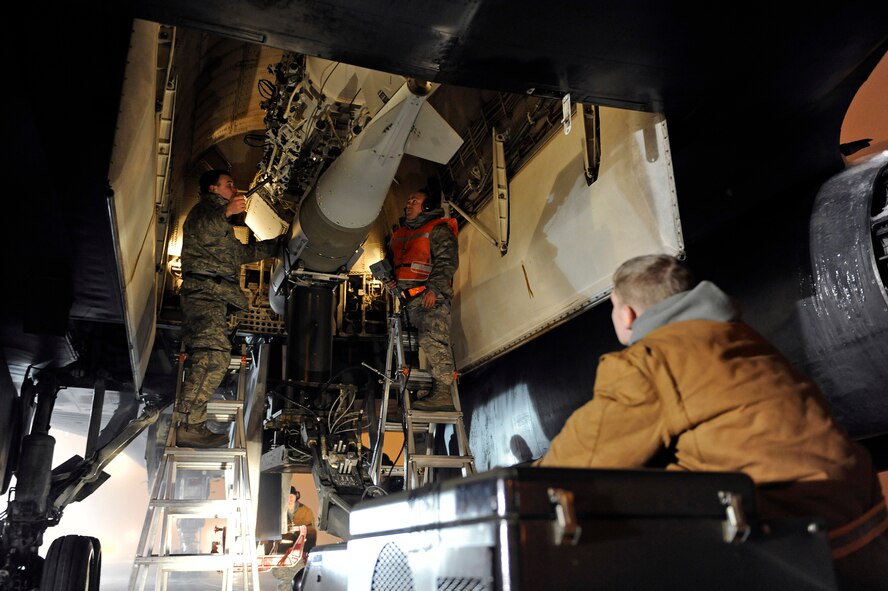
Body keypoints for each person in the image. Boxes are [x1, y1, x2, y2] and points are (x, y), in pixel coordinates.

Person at [534, 253, 888, 590]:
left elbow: (582, 457)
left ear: (626, 314)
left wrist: (521, 476)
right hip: (862, 523)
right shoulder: (742, 337)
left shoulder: (649, 361)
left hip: (792, 539)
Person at [176, 169, 279, 447]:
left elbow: (239, 254)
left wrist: (277, 246)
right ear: (212, 189)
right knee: (212, 357)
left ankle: (191, 422)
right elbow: (205, 224)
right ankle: (189, 425)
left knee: (214, 356)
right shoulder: (205, 213)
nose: (234, 189)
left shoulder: (221, 225)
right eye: (228, 185)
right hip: (205, 294)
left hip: (214, 296)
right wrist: (225, 211)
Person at [385, 189, 459, 411]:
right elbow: (393, 265)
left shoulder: (437, 230)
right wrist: (390, 281)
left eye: (414, 201)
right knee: (415, 348)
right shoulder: (400, 235)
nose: (408, 205)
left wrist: (434, 290)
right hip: (407, 302)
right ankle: (428, 391)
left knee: (432, 340)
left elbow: (446, 261)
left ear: (426, 207)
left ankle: (444, 393)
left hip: (429, 299)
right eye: (408, 201)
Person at [285, 486, 317, 555]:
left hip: (300, 537)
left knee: (312, 533)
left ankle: (306, 554)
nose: (290, 498)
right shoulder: (279, 511)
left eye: (292, 496)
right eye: (288, 496)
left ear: (296, 496)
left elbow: (311, 528)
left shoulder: (305, 511)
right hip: (285, 538)